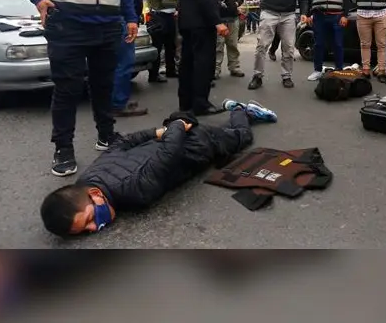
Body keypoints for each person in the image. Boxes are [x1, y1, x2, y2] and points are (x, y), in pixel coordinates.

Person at [9, 0, 138, 177]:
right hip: (67, 28)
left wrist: (131, 18)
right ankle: (63, 148)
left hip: (107, 29)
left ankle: (106, 135)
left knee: (103, 86)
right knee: (67, 91)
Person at [39, 101, 278, 237]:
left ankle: (241, 110)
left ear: (95, 195)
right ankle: (235, 114)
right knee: (225, 133)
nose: (94, 228)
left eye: (90, 219)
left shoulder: (135, 192)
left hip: (195, 145)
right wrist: (158, 132)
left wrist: (174, 127)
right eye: (85, 230)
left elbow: (168, 153)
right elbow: (122, 143)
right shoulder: (87, 179)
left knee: (242, 136)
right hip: (175, 137)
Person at [173, 0, 228, 115]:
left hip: (187, 22)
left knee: (188, 63)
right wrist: (217, 22)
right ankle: (200, 103)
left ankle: (186, 102)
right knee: (203, 64)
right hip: (201, 23)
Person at [249, 0, 309, 90]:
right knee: (262, 45)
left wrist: (304, 13)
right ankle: (257, 76)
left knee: (288, 48)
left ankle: (286, 76)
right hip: (269, 12)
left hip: (288, 14)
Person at [110, 0, 149, 117]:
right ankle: (118, 104)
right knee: (123, 63)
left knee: (120, 64)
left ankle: (119, 100)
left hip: (123, 19)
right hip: (121, 20)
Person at [304, 0, 349, 80]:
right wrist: (308, 15)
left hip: (336, 17)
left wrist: (345, 15)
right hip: (319, 17)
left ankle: (339, 70)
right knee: (319, 44)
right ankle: (317, 70)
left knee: (338, 44)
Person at [211, 0, 246, 79]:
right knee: (217, 46)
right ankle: (215, 69)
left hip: (233, 18)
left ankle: (234, 67)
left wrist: (237, 3)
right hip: (218, 19)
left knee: (233, 45)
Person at [145, 0, 178, 83]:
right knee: (157, 46)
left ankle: (171, 70)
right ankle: (153, 75)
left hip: (170, 17)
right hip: (157, 17)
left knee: (171, 45)